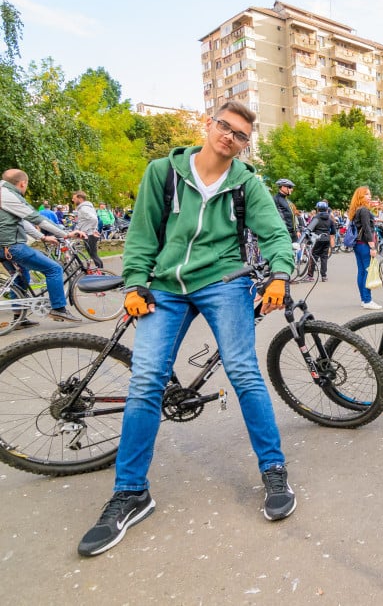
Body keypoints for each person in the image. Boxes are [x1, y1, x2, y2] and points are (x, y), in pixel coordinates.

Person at [77, 101, 297, 558]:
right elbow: (140, 233)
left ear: (244, 143)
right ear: (208, 124)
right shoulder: (164, 171)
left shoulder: (247, 183)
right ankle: (131, 493)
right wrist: (136, 282)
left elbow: (275, 234)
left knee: (244, 372)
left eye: (239, 135)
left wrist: (279, 274)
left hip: (223, 281)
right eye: (224, 126)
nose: (229, 137)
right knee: (145, 382)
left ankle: (274, 470)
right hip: (165, 285)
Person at [0, 169, 86, 325]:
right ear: (22, 183)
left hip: (3, 247)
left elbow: (23, 222)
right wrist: (66, 234)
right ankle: (59, 309)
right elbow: (36, 218)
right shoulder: (9, 195)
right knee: (54, 269)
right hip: (12, 246)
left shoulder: (3, 193)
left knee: (21, 278)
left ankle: (18, 319)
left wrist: (43, 237)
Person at [347, 186, 381, 309]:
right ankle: (367, 300)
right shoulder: (364, 210)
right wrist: (372, 246)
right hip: (365, 244)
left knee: (362, 271)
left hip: (358, 244)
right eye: (366, 194)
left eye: (369, 194)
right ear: (360, 197)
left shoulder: (357, 210)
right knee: (367, 271)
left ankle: (363, 299)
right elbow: (367, 229)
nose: (369, 196)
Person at [302, 201, 336, 282]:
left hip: (317, 239)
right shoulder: (330, 219)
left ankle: (310, 276)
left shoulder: (316, 218)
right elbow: (333, 231)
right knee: (324, 258)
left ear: (318, 209)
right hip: (326, 239)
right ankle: (324, 276)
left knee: (313, 256)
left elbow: (311, 228)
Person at [71, 190, 104, 269]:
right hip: (88, 233)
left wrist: (91, 231)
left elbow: (94, 219)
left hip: (89, 234)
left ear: (80, 198)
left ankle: (101, 272)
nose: (73, 200)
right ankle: (101, 272)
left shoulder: (83, 209)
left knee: (93, 255)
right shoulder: (86, 207)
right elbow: (85, 221)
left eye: (74, 198)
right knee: (93, 255)